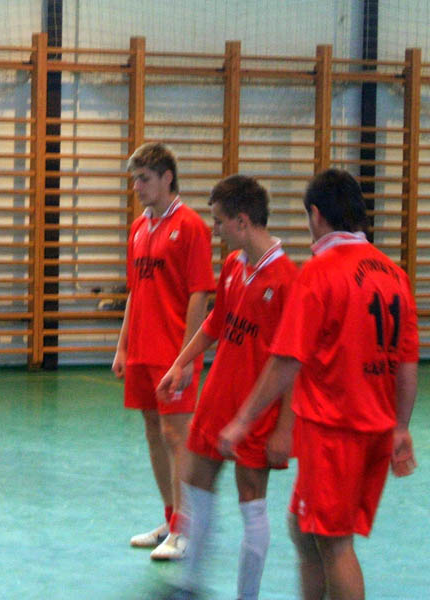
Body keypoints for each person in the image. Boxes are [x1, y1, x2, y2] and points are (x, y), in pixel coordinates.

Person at [219, 168, 419, 600]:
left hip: (334, 432)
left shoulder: (320, 272)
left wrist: (243, 420)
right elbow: (407, 364)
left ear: (316, 214)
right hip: (375, 429)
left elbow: (286, 360)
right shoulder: (394, 275)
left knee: (334, 543)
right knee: (303, 528)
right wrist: (401, 428)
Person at [156, 175, 297, 599]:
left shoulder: (286, 280)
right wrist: (180, 364)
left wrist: (284, 429)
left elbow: (293, 363)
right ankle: (190, 584)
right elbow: (215, 324)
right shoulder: (236, 265)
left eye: (219, 221)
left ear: (242, 221)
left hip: (257, 412)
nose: (214, 230)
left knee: (251, 500)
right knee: (195, 481)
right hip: (218, 399)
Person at [112, 142, 215, 560]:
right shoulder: (139, 227)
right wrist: (122, 346)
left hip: (173, 350)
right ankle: (171, 520)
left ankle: (186, 528)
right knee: (153, 431)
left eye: (144, 179)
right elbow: (135, 291)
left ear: (167, 178)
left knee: (177, 436)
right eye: (135, 179)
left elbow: (200, 293)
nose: (137, 187)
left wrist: (186, 357)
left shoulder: (191, 226)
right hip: (142, 349)